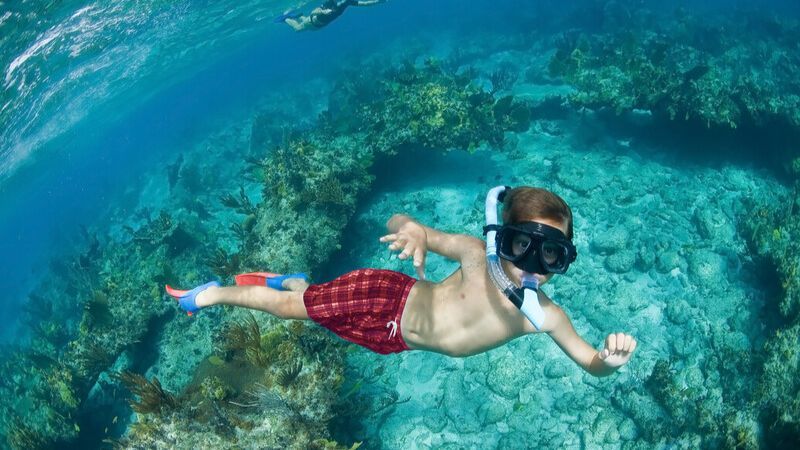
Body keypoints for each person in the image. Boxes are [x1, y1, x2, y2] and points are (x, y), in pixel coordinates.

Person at [166, 186, 637, 377]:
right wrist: (413, 230)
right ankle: (211, 294)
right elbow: (401, 221)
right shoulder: (476, 255)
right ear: (501, 239)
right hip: (387, 295)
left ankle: (293, 283)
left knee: (312, 307)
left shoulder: (547, 316)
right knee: (299, 311)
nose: (532, 265)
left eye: (551, 254)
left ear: (563, 260)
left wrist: (609, 360)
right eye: (522, 246)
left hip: (395, 342)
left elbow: (589, 362)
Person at [276, 0, 385, 32]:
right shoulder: (330, 1)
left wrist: (378, 1)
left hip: (320, 25)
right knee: (297, 29)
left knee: (306, 24)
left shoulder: (348, 2)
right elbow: (314, 11)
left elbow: (365, 4)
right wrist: (322, 12)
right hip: (313, 21)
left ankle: (298, 16)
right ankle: (286, 17)